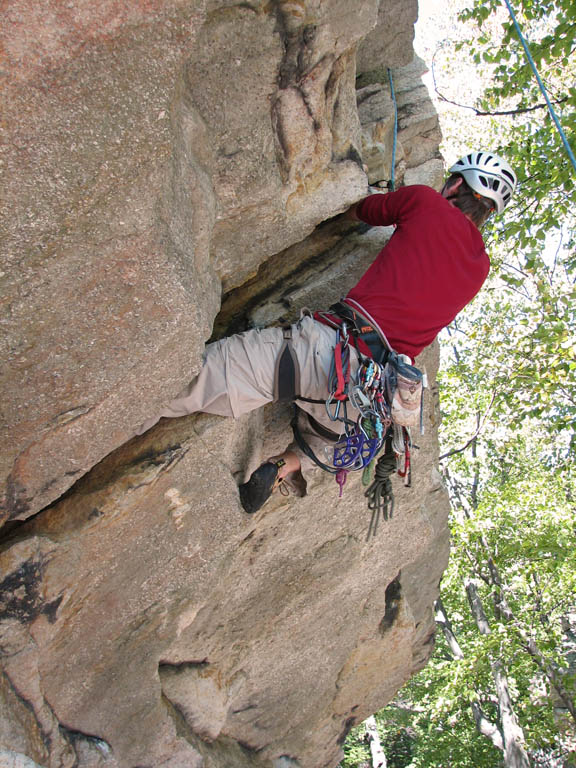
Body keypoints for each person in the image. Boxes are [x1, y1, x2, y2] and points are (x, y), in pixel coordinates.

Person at [136, 151, 517, 513]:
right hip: (366, 396)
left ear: (453, 187)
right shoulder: (480, 268)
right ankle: (286, 465)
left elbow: (362, 211)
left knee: (187, 383)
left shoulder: (425, 202)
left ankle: (126, 408)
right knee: (332, 439)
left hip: (323, 351)